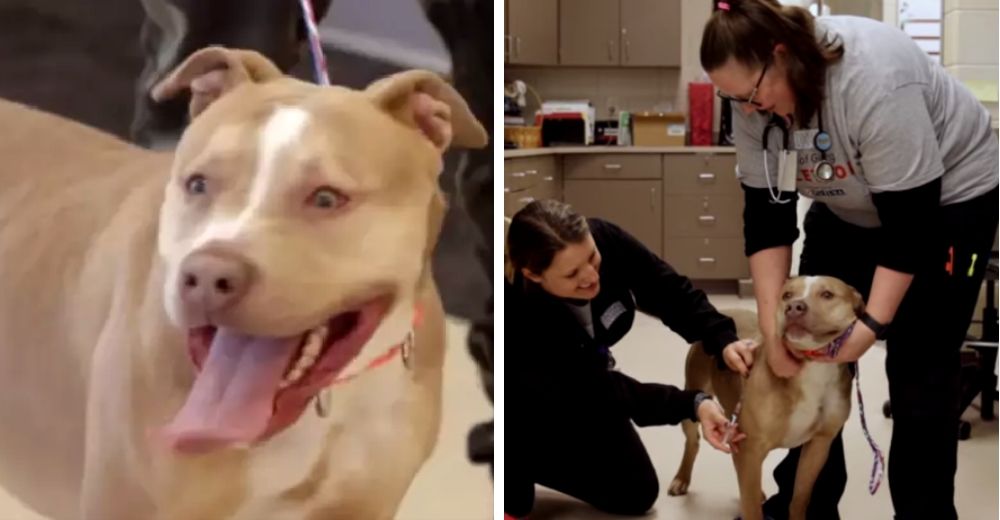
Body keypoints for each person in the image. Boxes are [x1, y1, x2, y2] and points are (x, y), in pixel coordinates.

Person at [700, 1, 999, 519]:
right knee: (802, 337)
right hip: (847, 204)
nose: (745, 110)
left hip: (949, 205)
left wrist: (871, 327)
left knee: (921, 368)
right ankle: (805, 506)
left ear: (781, 54)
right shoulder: (752, 103)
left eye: (750, 95)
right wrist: (774, 333)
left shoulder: (873, 80)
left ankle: (925, 512)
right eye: (731, 99)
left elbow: (909, 228)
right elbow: (768, 220)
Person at [504, 199, 753, 518]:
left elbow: (668, 289)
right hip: (521, 404)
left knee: (635, 491)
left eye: (592, 258)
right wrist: (692, 403)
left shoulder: (606, 240)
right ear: (533, 275)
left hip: (585, 384)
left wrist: (722, 339)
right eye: (572, 274)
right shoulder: (518, 313)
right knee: (514, 503)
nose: (592, 276)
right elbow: (600, 389)